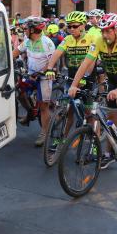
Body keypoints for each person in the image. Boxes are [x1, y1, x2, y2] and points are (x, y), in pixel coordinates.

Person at [69, 13, 117, 167]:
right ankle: (110, 151)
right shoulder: (99, 40)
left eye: (108, 31)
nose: (105, 35)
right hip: (112, 79)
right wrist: (74, 84)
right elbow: (86, 63)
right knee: (111, 116)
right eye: (102, 31)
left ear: (116, 29)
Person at [46, 11, 95, 139]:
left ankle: (94, 143)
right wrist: (50, 68)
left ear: (83, 25)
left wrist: (85, 76)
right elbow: (57, 53)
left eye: (75, 26)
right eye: (69, 26)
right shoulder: (68, 39)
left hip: (87, 78)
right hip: (72, 76)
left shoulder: (91, 39)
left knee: (89, 112)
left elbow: (92, 60)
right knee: (69, 111)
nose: (71, 29)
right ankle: (63, 139)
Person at [12, 17, 55, 146]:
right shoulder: (27, 41)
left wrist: (39, 73)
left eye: (26, 29)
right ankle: (30, 111)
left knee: (43, 106)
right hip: (31, 74)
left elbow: (51, 63)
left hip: (44, 76)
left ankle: (44, 133)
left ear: (33, 30)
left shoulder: (47, 43)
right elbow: (16, 51)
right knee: (20, 91)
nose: (24, 31)